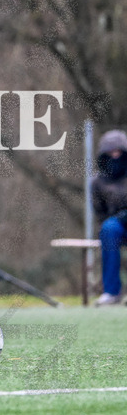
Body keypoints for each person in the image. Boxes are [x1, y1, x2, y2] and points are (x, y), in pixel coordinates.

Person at [91, 130, 127, 305]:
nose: (115, 156)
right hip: (115, 226)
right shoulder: (98, 182)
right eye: (110, 152)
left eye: (118, 152)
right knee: (109, 229)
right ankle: (111, 292)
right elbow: (100, 212)